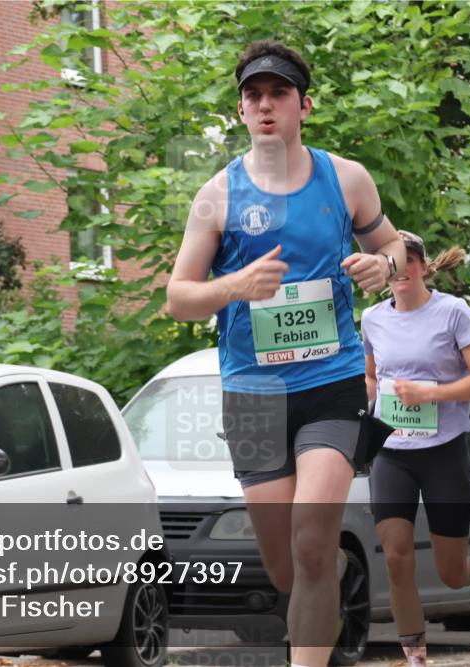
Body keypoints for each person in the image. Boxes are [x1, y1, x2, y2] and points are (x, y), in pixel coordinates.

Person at [167, 40, 406, 667]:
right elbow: (179, 297)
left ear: (304, 104)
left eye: (278, 94)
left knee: (311, 541)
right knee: (283, 569)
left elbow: (401, 246)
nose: (265, 105)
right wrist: (234, 288)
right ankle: (321, 628)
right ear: (243, 111)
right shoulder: (217, 195)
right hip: (252, 394)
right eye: (254, 96)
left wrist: (384, 264)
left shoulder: (346, 178)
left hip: (332, 381)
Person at [360, 230, 470, 667]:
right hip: (391, 450)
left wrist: (431, 394)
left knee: (450, 571)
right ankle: (416, 657)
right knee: (397, 557)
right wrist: (366, 408)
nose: (402, 271)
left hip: (443, 450)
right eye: (393, 264)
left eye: (409, 262)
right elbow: (372, 376)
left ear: (423, 266)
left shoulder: (452, 312)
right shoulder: (372, 319)